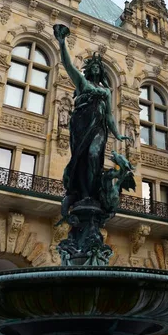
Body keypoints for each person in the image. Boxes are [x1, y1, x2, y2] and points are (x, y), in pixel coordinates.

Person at [54, 24, 131, 203]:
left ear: (101, 71)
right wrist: (61, 43)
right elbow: (68, 65)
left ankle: (92, 193)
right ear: (89, 69)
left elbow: (110, 115)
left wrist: (118, 134)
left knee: (94, 155)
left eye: (98, 66)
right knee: (80, 159)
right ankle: (84, 193)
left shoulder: (107, 91)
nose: (96, 68)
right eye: (93, 66)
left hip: (98, 127)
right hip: (81, 125)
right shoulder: (82, 83)